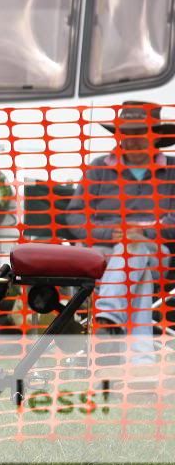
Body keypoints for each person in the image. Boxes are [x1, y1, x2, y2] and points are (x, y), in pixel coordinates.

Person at [61, 102, 175, 367]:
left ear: (156, 134)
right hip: (103, 252)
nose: (132, 139)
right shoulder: (99, 167)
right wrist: (107, 232)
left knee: (136, 247)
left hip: (156, 251)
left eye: (140, 132)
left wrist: (144, 231)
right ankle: (140, 360)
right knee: (138, 269)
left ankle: (108, 316)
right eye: (127, 132)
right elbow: (75, 216)